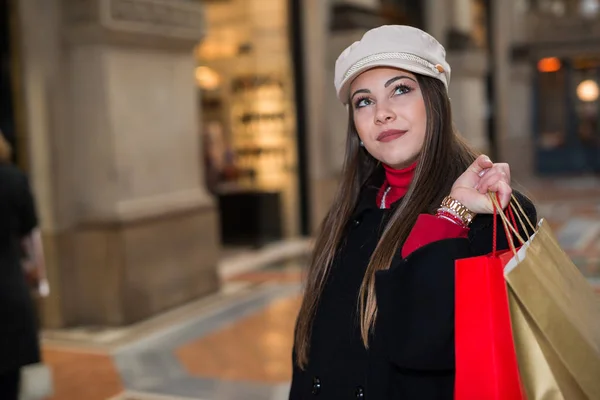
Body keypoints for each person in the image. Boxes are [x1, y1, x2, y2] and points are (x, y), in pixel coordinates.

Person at [289, 25, 537, 399]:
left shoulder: (496, 211)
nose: (382, 114)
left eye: (400, 90)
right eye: (364, 101)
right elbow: (311, 356)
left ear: (435, 101)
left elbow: (420, 341)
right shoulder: (352, 211)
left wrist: (449, 218)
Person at [0, 131, 46, 399]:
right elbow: (31, 236)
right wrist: (40, 278)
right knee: (9, 380)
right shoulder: (15, 180)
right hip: (8, 287)